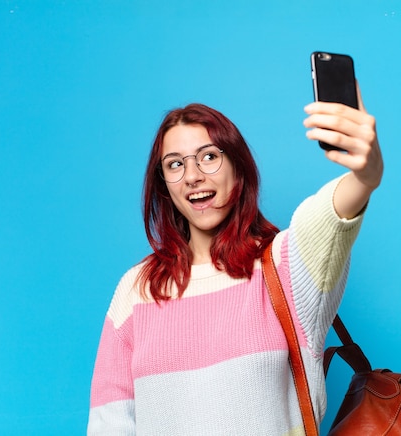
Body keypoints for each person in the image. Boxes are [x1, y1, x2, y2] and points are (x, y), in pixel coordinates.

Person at [88, 84, 383, 435]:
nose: (194, 175)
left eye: (209, 156)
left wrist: (367, 174)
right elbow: (110, 425)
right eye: (175, 164)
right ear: (164, 184)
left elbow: (327, 218)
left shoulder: (288, 266)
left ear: (238, 167)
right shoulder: (137, 291)